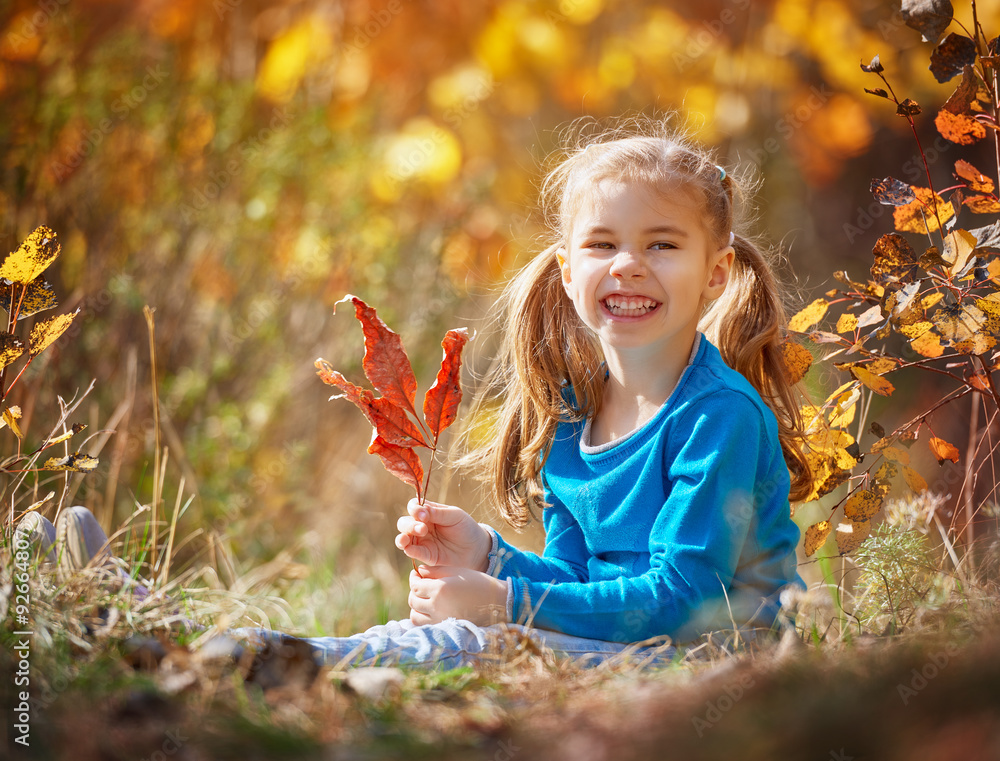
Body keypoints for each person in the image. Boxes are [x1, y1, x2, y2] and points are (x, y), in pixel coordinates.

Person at [17, 122, 811, 670]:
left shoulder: (717, 418)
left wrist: (502, 598)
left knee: (456, 642)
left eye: (661, 246)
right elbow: (577, 579)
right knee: (428, 635)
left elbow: (682, 601)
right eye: (602, 244)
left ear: (714, 273)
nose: (629, 265)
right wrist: (490, 556)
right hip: (614, 645)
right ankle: (154, 629)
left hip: (701, 660)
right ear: (568, 272)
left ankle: (189, 647)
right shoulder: (576, 417)